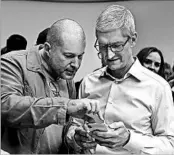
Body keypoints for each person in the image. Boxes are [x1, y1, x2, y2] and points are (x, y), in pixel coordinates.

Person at [65, 4, 174, 154]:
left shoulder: (158, 87)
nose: (109, 55)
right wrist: (76, 138)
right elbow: (73, 126)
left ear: (133, 39)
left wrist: (129, 140)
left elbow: (170, 146)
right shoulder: (88, 82)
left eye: (117, 46)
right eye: (102, 47)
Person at [1, 19, 100, 154]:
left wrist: (74, 138)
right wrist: (65, 106)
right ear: (48, 49)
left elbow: (62, 127)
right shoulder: (12, 63)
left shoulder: (66, 77)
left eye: (80, 57)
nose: (76, 64)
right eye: (68, 56)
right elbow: (6, 107)